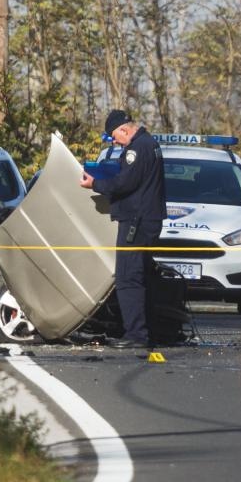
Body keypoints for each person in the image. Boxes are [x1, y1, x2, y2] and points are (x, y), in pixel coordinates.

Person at [79, 109, 166, 348]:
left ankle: (136, 335)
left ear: (124, 129)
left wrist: (94, 183)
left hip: (136, 222)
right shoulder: (149, 144)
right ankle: (149, 333)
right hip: (146, 220)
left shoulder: (137, 149)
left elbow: (125, 182)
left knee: (129, 278)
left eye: (114, 136)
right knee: (144, 277)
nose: (114, 142)